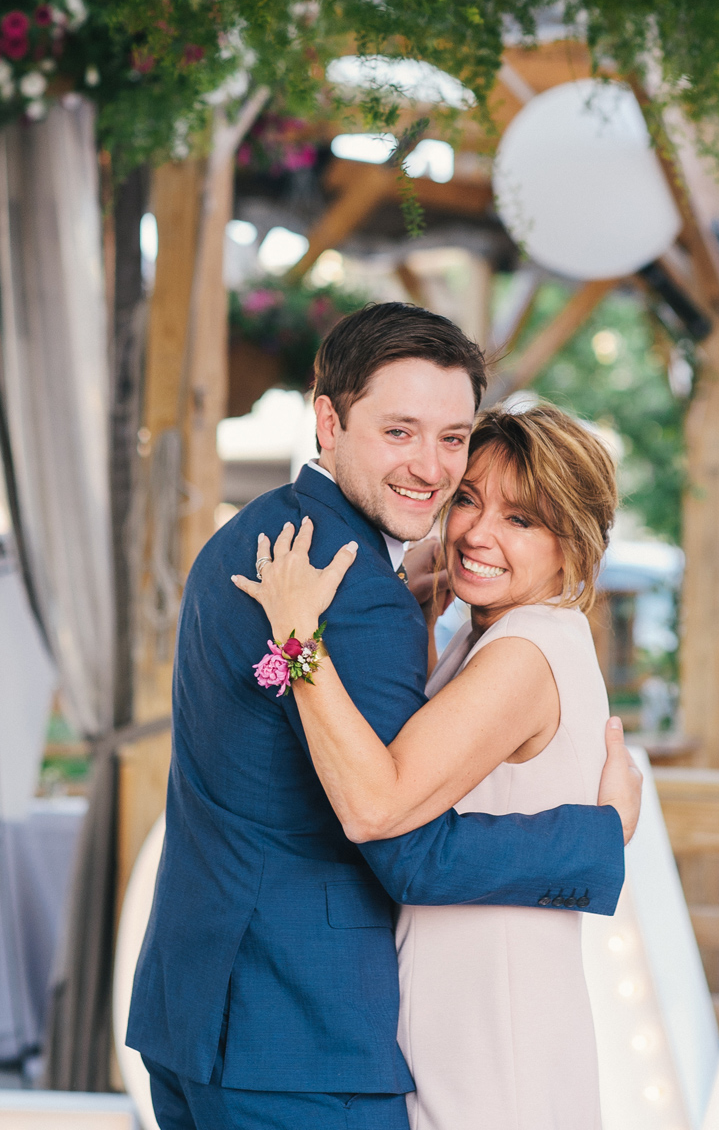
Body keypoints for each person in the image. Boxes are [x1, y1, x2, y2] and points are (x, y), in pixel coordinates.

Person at [127, 302, 641, 1130]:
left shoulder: (266, 534)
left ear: (573, 539)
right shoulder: (352, 588)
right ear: (327, 420)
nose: (435, 477)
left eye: (451, 439)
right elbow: (395, 832)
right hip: (297, 1035)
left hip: (215, 1014)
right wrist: (598, 835)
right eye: (400, 432)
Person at [236, 401, 631, 1130]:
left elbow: (376, 803)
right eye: (470, 500)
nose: (478, 533)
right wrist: (416, 604)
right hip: (458, 1015)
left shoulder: (523, 652)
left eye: (522, 520)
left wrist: (297, 637)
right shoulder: (495, 636)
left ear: (571, 547)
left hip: (493, 1038)